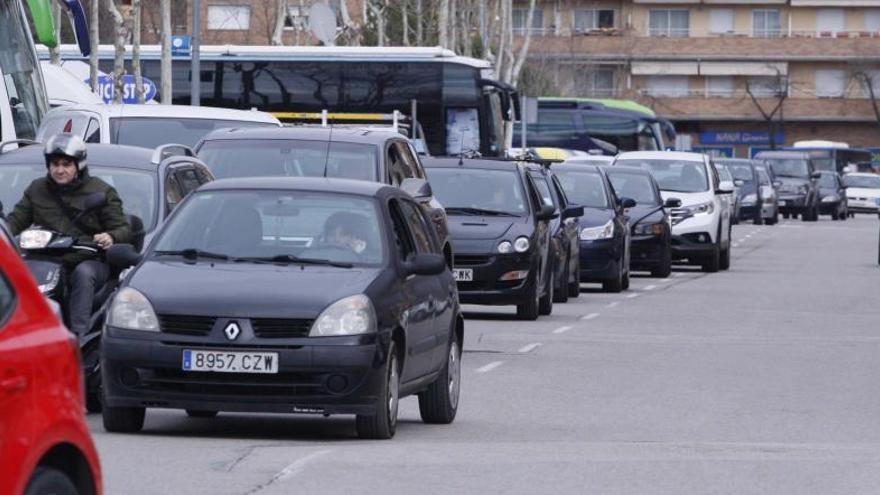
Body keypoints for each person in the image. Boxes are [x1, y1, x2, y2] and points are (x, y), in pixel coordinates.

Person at [5, 134, 130, 336]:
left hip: (88, 259)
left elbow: (123, 228)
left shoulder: (100, 191)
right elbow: (16, 220)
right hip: (44, 258)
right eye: (54, 164)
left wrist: (110, 236)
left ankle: (78, 335)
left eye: (66, 164)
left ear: (78, 165)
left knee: (84, 274)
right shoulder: (37, 189)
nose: (60, 170)